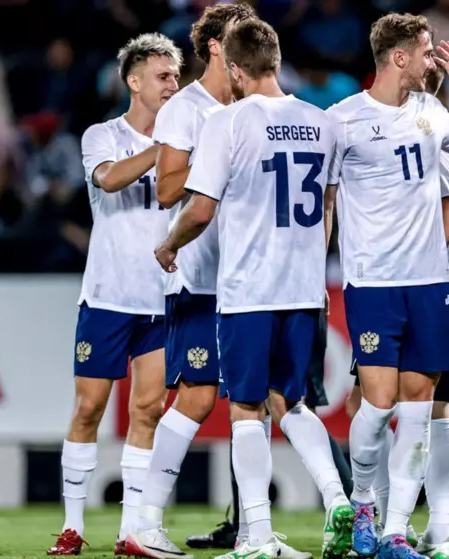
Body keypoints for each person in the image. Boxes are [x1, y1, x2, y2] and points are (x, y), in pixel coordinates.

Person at [152, 19, 353, 559]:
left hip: (249, 290)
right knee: (292, 402)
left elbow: (200, 209)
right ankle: (338, 498)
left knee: (246, 409)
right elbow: (327, 207)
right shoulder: (322, 122)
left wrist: (169, 244)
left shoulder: (228, 121)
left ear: (236, 70)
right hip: (304, 289)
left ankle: (257, 536)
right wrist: (314, 269)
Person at [119, 7, 310, 559]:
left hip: (253, 281)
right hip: (202, 279)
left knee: (256, 403)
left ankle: (255, 532)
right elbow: (166, 189)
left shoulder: (256, 108)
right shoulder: (187, 108)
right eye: (233, 36)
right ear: (214, 47)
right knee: (198, 399)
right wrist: (220, 155)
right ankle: (144, 524)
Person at [325, 12, 449, 559]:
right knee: (376, 405)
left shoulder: (430, 110)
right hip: (373, 283)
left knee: (418, 409)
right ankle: (363, 504)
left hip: (429, 285)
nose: (431, 58)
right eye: (424, 50)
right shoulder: (342, 120)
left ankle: (395, 531)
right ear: (399, 57)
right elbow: (325, 201)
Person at [46, 33, 182, 556]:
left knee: (148, 410)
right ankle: (72, 526)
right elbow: (108, 180)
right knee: (89, 408)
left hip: (162, 298)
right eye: (163, 76)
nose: (173, 84)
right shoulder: (102, 135)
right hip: (108, 296)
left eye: (176, 76)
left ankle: (130, 531)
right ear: (134, 81)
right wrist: (164, 149)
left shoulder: (186, 141)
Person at [416, 67, 449, 559]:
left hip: (425, 291)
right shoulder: (433, 130)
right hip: (433, 290)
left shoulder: (437, 137)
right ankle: (430, 531)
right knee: (428, 409)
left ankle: (438, 529)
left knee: (429, 409)